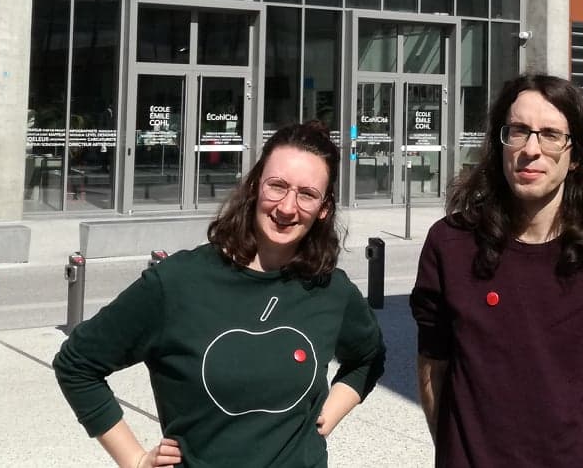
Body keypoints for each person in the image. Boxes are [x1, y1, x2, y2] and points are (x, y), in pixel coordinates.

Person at [54, 122, 386, 468]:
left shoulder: (330, 289)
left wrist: (328, 414)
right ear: (255, 185)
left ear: (324, 209)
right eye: (278, 186)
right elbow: (77, 364)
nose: (288, 207)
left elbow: (369, 356)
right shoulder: (178, 283)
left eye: (307, 194)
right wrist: (134, 460)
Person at [410, 74, 583, 468]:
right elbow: (433, 364)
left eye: (550, 135)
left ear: (575, 154)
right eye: (518, 131)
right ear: (499, 144)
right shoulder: (451, 246)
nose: (531, 150)